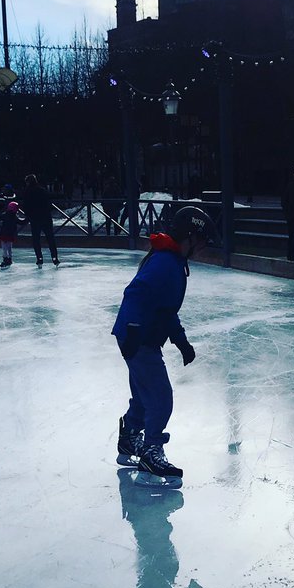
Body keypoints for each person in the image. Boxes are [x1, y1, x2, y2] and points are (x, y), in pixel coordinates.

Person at [112, 205, 213, 485]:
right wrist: (133, 329)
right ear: (189, 238)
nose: (203, 249)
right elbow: (135, 293)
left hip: (139, 336)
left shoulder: (171, 261)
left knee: (145, 396)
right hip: (138, 337)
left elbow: (166, 310)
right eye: (202, 242)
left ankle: (129, 439)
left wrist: (181, 341)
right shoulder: (165, 263)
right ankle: (151, 449)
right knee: (160, 397)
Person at [19, 173, 59, 266]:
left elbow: (25, 206)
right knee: (50, 238)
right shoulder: (42, 190)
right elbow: (48, 203)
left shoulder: (27, 191)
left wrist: (29, 215)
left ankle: (39, 258)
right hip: (45, 217)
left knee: (36, 240)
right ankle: (55, 258)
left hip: (35, 219)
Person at [0, 185, 24, 269]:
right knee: (9, 248)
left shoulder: (5, 215)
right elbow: (21, 222)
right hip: (10, 234)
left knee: (4, 248)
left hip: (4, 234)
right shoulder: (14, 217)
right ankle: (9, 259)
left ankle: (5, 259)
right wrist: (28, 219)